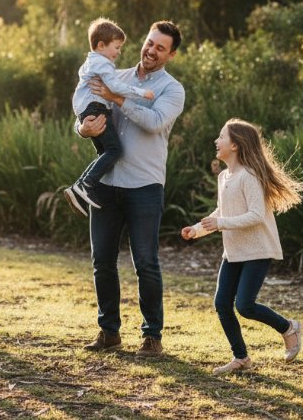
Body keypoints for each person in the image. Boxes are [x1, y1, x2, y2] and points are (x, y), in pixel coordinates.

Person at [77, 20, 185, 357]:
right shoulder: (114, 74)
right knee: (102, 261)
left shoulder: (172, 89)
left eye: (160, 48)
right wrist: (83, 129)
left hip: (144, 186)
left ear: (171, 54)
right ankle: (109, 332)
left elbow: (154, 123)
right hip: (107, 186)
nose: (151, 50)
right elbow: (86, 105)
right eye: (150, 43)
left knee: (146, 263)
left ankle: (152, 336)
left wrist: (117, 100)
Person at [181, 118, 303, 373]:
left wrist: (220, 223)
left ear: (236, 145)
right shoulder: (225, 176)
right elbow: (222, 211)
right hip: (234, 251)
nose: (216, 141)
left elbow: (256, 215)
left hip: (257, 250)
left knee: (245, 306)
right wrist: (197, 230)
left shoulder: (249, 176)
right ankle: (241, 359)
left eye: (221, 136)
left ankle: (289, 328)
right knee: (221, 304)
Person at [64, 18, 155, 215]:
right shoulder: (102, 64)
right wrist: (141, 93)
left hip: (88, 110)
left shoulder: (91, 63)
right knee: (115, 150)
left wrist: (82, 124)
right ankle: (85, 184)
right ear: (101, 45)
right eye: (117, 47)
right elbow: (115, 87)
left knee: (105, 152)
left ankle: (79, 188)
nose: (119, 52)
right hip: (96, 109)